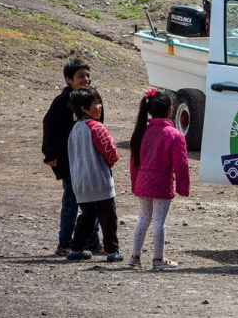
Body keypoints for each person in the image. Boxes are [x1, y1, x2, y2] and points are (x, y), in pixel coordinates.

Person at [41, 58, 102, 256]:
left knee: (94, 200)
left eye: (88, 75)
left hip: (91, 159)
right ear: (69, 79)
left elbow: (100, 128)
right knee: (71, 200)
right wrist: (50, 154)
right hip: (69, 161)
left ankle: (91, 241)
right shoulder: (62, 102)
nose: (86, 79)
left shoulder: (93, 98)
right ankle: (65, 242)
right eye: (80, 76)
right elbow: (49, 126)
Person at [128, 88, 190, 270]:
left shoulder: (141, 132)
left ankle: (135, 257)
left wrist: (135, 183)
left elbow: (134, 163)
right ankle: (158, 259)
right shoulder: (174, 135)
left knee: (142, 219)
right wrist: (183, 186)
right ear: (170, 110)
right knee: (159, 222)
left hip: (142, 183)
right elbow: (181, 164)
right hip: (161, 185)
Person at [65, 87, 122, 262]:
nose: (100, 106)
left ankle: (76, 249)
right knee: (108, 217)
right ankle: (112, 251)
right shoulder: (97, 127)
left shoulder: (74, 130)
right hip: (100, 180)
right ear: (84, 108)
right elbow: (111, 152)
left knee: (86, 217)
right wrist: (110, 162)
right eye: (96, 103)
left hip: (80, 182)